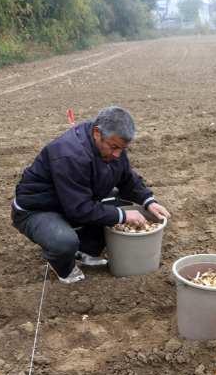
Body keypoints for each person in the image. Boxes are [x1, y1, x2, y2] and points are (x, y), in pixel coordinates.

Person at [11, 106, 171, 283]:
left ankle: (85, 250)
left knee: (117, 204)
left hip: (70, 200)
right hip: (38, 209)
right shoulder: (70, 155)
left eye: (122, 149)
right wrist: (122, 215)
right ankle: (63, 266)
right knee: (64, 241)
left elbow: (126, 178)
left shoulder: (110, 144)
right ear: (97, 133)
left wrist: (148, 201)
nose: (118, 154)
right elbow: (78, 209)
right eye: (114, 147)